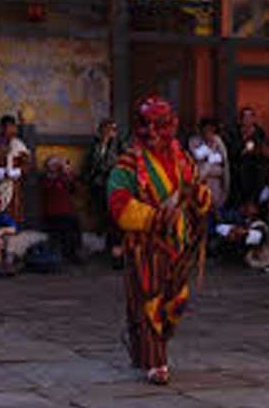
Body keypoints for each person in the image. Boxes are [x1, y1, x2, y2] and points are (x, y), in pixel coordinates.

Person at [107, 95, 211, 385]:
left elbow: (198, 193)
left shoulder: (182, 159)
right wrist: (153, 217)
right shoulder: (128, 163)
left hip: (177, 245)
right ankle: (156, 362)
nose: (152, 133)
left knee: (175, 301)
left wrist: (201, 198)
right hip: (145, 248)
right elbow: (118, 203)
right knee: (149, 304)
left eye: (159, 125)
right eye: (146, 126)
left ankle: (145, 352)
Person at [85, 118, 124, 267]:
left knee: (115, 220)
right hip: (99, 186)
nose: (108, 133)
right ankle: (108, 249)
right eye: (105, 130)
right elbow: (90, 165)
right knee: (103, 219)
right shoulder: (95, 146)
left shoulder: (119, 146)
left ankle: (117, 253)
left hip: (114, 186)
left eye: (111, 130)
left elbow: (122, 163)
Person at [0, 114, 30, 221]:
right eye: (8, 127)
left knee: (13, 208)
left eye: (13, 127)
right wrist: (0, 173)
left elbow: (27, 165)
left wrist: (15, 172)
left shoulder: (18, 144)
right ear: (1, 127)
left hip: (14, 184)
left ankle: (12, 228)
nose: (11, 130)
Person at [41, 155, 81, 265]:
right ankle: (68, 255)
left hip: (66, 213)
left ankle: (74, 253)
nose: (55, 167)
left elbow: (74, 189)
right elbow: (51, 189)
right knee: (65, 226)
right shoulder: (47, 178)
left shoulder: (64, 177)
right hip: (53, 214)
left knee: (74, 224)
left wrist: (69, 175)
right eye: (53, 165)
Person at [189, 117, 230, 212]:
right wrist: (208, 148)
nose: (208, 132)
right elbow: (198, 157)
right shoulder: (194, 141)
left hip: (216, 182)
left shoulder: (218, 141)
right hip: (202, 181)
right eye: (206, 129)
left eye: (211, 129)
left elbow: (222, 160)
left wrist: (210, 159)